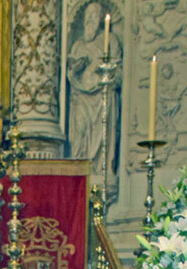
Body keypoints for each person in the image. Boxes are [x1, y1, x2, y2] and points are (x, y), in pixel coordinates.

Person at [67, 2, 122, 184]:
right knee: (81, 131)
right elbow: (70, 73)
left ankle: (102, 168)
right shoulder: (77, 45)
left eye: (94, 16)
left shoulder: (110, 40)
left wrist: (106, 74)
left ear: (100, 20)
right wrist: (76, 69)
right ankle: (79, 167)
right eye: (88, 16)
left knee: (102, 132)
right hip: (81, 96)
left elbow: (118, 70)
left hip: (102, 95)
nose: (90, 20)